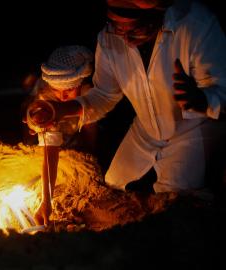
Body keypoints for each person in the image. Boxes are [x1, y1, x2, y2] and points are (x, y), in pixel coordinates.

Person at [27, 0, 226, 214]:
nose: (124, 37)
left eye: (134, 28)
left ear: (157, 15)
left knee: (174, 199)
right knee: (112, 186)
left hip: (193, 126)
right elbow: (104, 94)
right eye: (116, 25)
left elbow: (222, 92)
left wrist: (201, 100)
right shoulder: (109, 38)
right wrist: (58, 111)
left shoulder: (195, 26)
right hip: (146, 129)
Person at [24, 45, 96, 226]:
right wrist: (46, 201)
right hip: (56, 137)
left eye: (69, 90)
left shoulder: (90, 93)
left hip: (77, 138)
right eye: (58, 91)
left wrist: (90, 159)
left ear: (81, 84)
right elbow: (50, 149)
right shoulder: (45, 96)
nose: (63, 97)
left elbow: (91, 132)